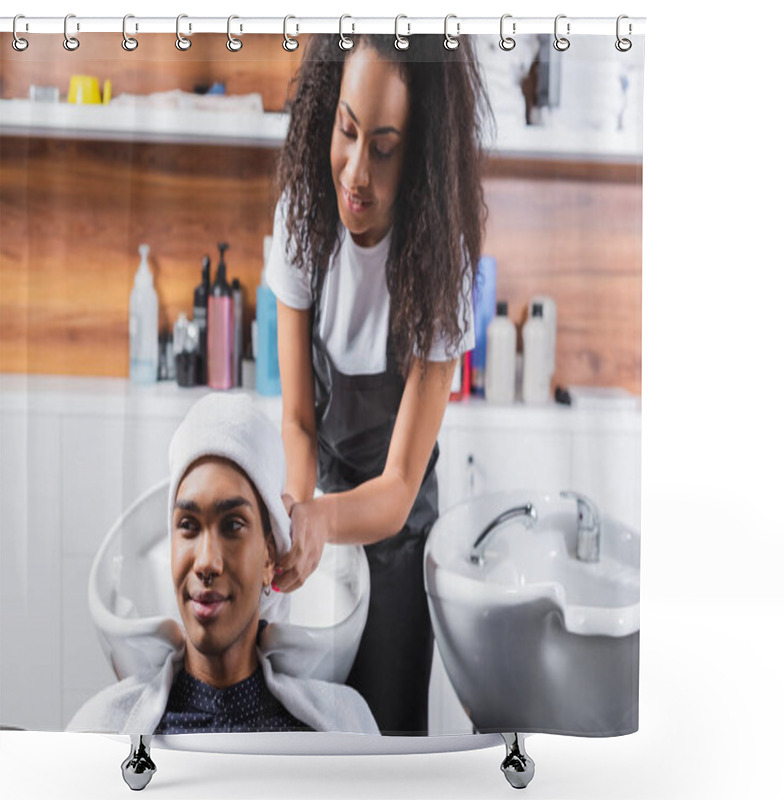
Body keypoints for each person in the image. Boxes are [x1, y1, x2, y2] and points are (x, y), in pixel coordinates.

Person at [267, 34, 491, 735]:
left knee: (385, 744)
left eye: (385, 148)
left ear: (420, 156)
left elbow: (396, 490)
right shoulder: (303, 222)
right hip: (321, 501)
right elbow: (300, 422)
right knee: (308, 735)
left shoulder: (440, 264)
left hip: (399, 540)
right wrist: (297, 520)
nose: (355, 173)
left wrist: (320, 520)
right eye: (346, 130)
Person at [68, 393, 378, 735]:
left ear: (269, 557)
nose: (206, 562)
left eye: (232, 525)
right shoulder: (99, 730)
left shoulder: (342, 728)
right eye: (187, 525)